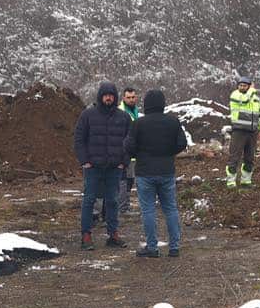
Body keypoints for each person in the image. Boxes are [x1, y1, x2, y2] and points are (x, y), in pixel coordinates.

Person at [123, 89, 187, 258]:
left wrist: (139, 154)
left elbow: (128, 146)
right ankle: (174, 247)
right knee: (170, 209)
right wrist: (169, 153)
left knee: (148, 210)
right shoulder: (173, 122)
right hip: (167, 170)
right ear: (163, 104)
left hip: (145, 171)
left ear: (147, 104)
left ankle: (152, 248)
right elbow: (182, 143)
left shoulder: (138, 123)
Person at [74, 80, 131, 250]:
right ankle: (86, 236)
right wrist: (85, 161)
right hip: (93, 167)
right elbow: (78, 139)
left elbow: (130, 141)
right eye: (106, 95)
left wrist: (124, 162)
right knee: (89, 200)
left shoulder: (124, 117)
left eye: (111, 95)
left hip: (114, 168)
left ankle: (113, 235)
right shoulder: (88, 115)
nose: (109, 98)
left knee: (113, 201)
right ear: (100, 96)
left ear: (115, 97)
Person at [95, 86, 139, 225]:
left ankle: (121, 207)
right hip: (120, 155)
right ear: (123, 98)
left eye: (133, 97)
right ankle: (119, 209)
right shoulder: (120, 112)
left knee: (128, 182)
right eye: (128, 97)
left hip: (131, 155)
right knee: (120, 183)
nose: (131, 100)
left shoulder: (135, 112)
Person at [226, 71, 260, 187]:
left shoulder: (255, 100)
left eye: (245, 85)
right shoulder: (235, 95)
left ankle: (246, 181)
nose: (242, 87)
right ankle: (231, 181)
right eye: (240, 85)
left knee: (249, 158)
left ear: (248, 86)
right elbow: (244, 100)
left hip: (252, 132)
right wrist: (252, 90)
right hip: (239, 131)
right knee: (234, 157)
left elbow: (259, 115)